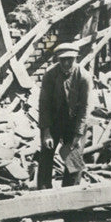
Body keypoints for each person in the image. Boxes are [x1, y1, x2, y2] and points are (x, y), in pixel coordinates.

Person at [37, 42, 93, 188]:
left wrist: (78, 135)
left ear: (76, 59)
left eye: (70, 59)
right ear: (58, 59)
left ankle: (70, 192)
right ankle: (43, 192)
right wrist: (47, 132)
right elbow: (44, 105)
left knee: (73, 159)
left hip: (74, 121)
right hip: (54, 120)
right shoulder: (50, 75)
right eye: (63, 60)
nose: (67, 63)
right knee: (46, 157)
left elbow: (85, 108)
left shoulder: (84, 77)